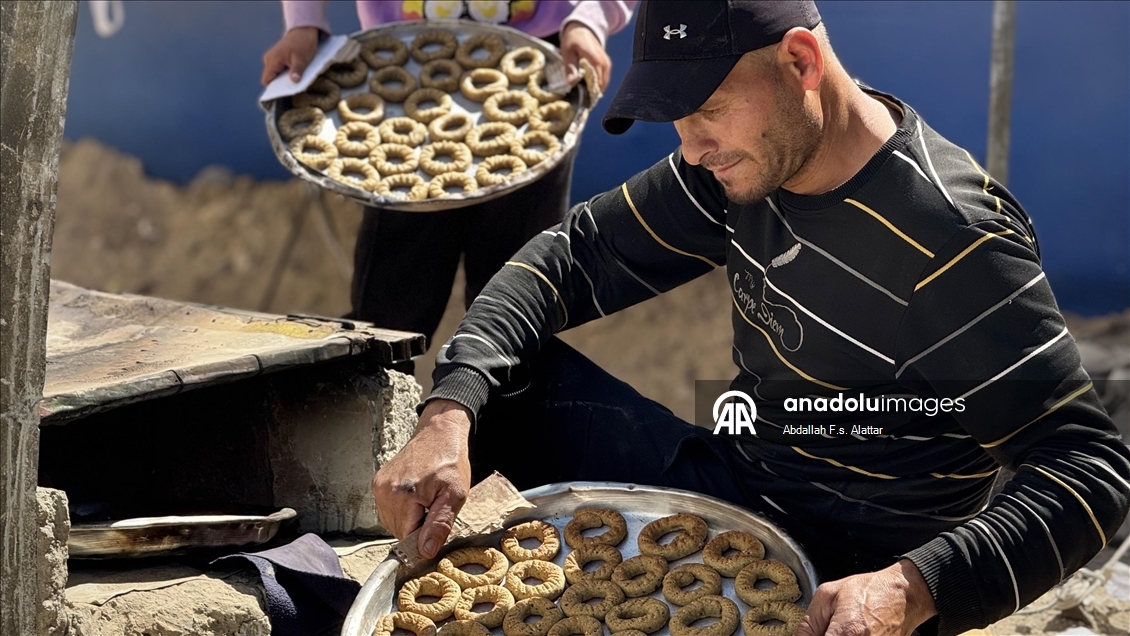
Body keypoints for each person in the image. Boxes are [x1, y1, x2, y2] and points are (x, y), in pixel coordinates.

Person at [372, 1, 1130, 635]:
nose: (691, 147)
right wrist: (447, 414)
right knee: (498, 380)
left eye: (706, 110)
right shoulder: (744, 161)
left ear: (801, 61)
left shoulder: (952, 237)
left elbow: (1089, 471)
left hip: (857, 577)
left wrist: (907, 588)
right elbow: (571, 255)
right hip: (735, 485)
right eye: (677, 119)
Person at [261, 0, 636, 372]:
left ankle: (499, 419)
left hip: (539, 73)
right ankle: (379, 416)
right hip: (400, 66)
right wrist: (304, 22)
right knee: (391, 307)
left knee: (517, 300)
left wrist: (590, 18)